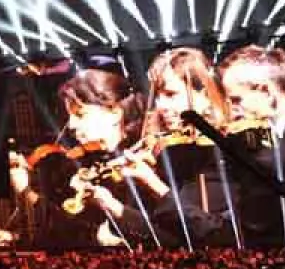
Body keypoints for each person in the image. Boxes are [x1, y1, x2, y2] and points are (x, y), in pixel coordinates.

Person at [90, 47, 239, 248]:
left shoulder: (230, 152)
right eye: (158, 95)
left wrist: (154, 185)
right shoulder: (174, 153)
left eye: (171, 94)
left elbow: (215, 237)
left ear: (204, 93)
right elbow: (166, 237)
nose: (160, 105)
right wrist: (118, 208)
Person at [8, 68, 147, 248]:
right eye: (70, 116)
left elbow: (74, 234)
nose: (71, 125)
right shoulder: (89, 163)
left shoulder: (137, 165)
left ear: (115, 113)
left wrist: (27, 193)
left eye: (80, 114)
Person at [219, 45, 285, 247]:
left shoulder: (271, 163)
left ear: (266, 91)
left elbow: (240, 237)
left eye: (237, 100)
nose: (234, 112)